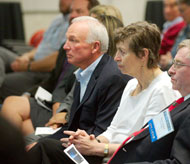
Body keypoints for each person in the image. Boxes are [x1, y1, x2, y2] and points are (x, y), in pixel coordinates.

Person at [28, 21, 180, 164]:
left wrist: (99, 148)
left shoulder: (163, 89)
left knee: (45, 148)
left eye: (122, 52)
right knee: (46, 147)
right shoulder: (132, 84)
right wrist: (91, 141)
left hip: (123, 159)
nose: (116, 58)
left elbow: (149, 145)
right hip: (105, 155)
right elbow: (113, 130)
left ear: (143, 55)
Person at [28, 16, 131, 164]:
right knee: (35, 144)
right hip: (79, 143)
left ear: (95, 47)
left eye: (73, 40)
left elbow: (102, 133)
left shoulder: (112, 78)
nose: (65, 46)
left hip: (95, 152)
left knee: (44, 147)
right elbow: (73, 126)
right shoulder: (83, 73)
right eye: (67, 40)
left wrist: (41, 145)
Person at [107, 38, 190, 164]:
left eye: (179, 65)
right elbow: (153, 137)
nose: (170, 71)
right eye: (173, 63)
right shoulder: (188, 101)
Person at [1, 0, 100, 138]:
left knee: (17, 112)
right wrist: (29, 93)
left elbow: (68, 92)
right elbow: (53, 79)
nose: (72, 15)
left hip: (63, 109)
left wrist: (60, 111)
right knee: (17, 111)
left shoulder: (89, 59)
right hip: (51, 99)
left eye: (78, 11)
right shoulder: (65, 45)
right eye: (72, 11)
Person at [0, 0, 72, 102]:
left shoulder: (74, 26)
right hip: (32, 61)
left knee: (5, 82)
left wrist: (28, 66)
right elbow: (42, 46)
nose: (61, 1)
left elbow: (56, 60)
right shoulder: (57, 20)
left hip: (40, 70)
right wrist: (27, 56)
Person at [159, 0, 185, 70]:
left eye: (172, 6)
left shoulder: (181, 26)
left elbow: (160, 51)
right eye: (165, 6)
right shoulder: (168, 24)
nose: (167, 10)